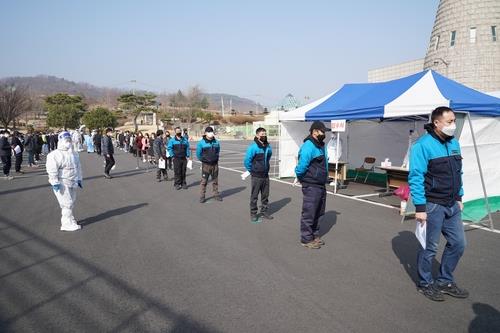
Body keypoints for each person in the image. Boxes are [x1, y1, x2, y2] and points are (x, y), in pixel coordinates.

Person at [409, 106, 468, 302]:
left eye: (454, 121)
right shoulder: (422, 146)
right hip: (433, 204)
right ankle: (425, 283)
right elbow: (416, 177)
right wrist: (420, 208)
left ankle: (445, 280)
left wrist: (459, 196)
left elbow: (458, 172)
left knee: (459, 243)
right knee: (430, 247)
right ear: (436, 123)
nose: (453, 125)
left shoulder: (454, 144)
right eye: (449, 121)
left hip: (452, 204)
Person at [295, 121, 330, 249]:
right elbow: (301, 167)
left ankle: (314, 235)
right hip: (311, 185)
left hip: (320, 184)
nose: (324, 134)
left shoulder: (321, 145)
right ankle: (306, 239)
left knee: (319, 212)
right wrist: (301, 178)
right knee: (309, 212)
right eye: (322, 131)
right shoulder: (308, 146)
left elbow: (325, 163)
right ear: (314, 131)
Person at [46, 131, 83, 231]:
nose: (69, 142)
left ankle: (70, 219)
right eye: (66, 140)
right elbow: (52, 169)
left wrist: (79, 178)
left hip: (73, 180)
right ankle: (66, 224)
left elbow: (78, 167)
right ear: (61, 141)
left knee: (72, 202)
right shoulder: (54, 155)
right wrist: (54, 182)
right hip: (62, 182)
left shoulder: (74, 153)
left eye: (70, 140)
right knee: (67, 203)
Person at [244, 127, 273, 223]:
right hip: (256, 176)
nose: (264, 136)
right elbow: (247, 161)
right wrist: (252, 170)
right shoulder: (253, 147)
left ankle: (264, 211)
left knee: (265, 196)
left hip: (265, 176)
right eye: (262, 134)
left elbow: (269, 156)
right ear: (257, 135)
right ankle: (253, 213)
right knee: (254, 196)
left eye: (265, 134)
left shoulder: (268, 146)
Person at [196, 126, 222, 203]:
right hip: (206, 165)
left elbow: (218, 151)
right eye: (209, 132)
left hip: (215, 165)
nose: (211, 133)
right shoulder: (201, 143)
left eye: (211, 132)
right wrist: (203, 160)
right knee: (204, 181)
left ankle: (216, 194)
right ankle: (202, 196)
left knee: (215, 181)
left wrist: (215, 158)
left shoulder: (216, 142)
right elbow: (198, 154)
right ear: (205, 133)